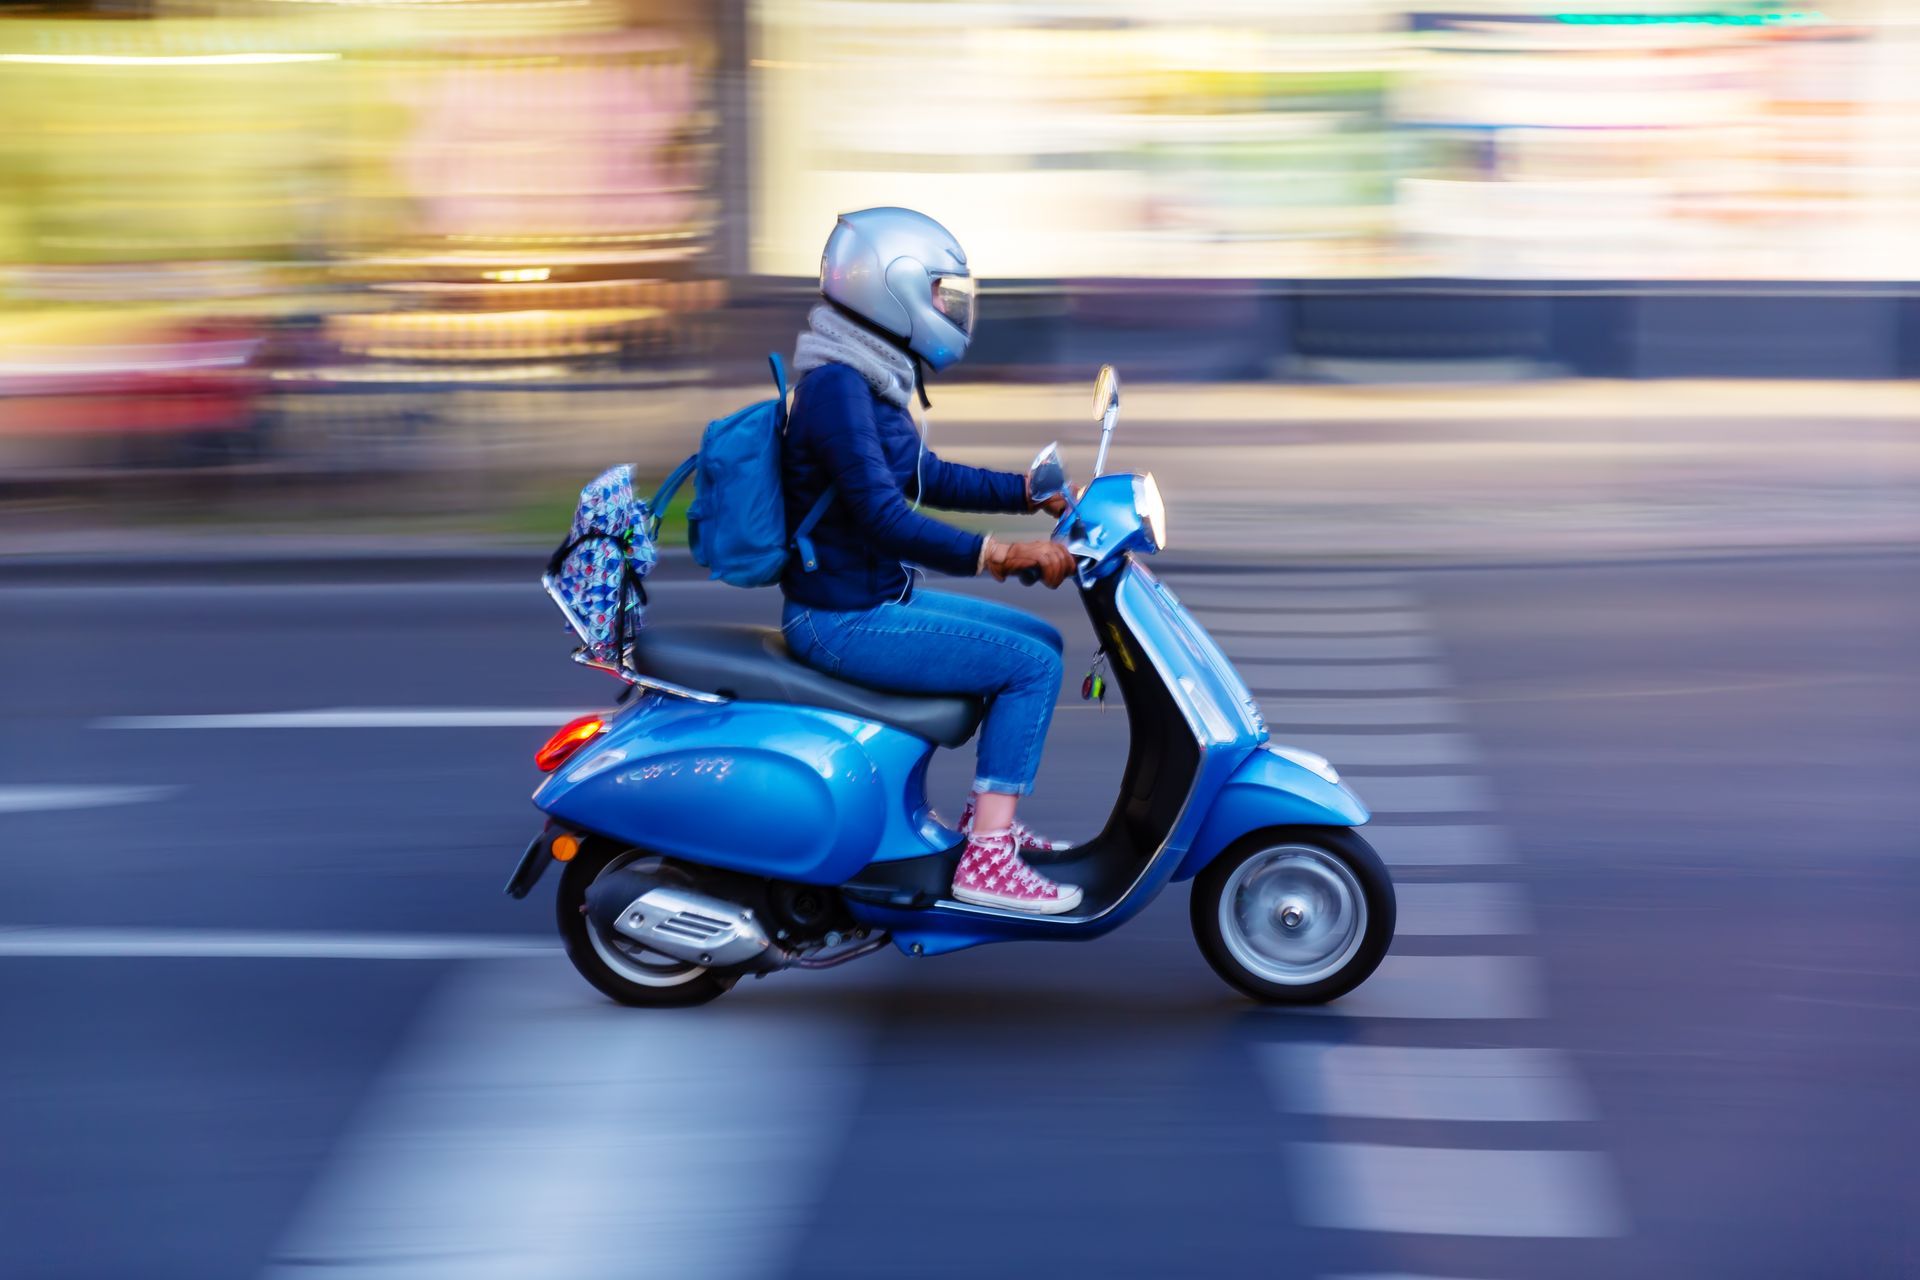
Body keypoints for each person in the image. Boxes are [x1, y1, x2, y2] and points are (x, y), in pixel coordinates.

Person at [779, 207, 1083, 915]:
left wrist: (1027, 493)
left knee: (1041, 639)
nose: (947, 306)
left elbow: (925, 476)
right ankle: (988, 861)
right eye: (940, 291)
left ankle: (988, 823)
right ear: (895, 287)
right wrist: (1001, 555)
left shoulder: (863, 374)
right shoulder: (838, 389)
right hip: (843, 618)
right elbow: (885, 516)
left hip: (872, 597)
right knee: (1031, 666)